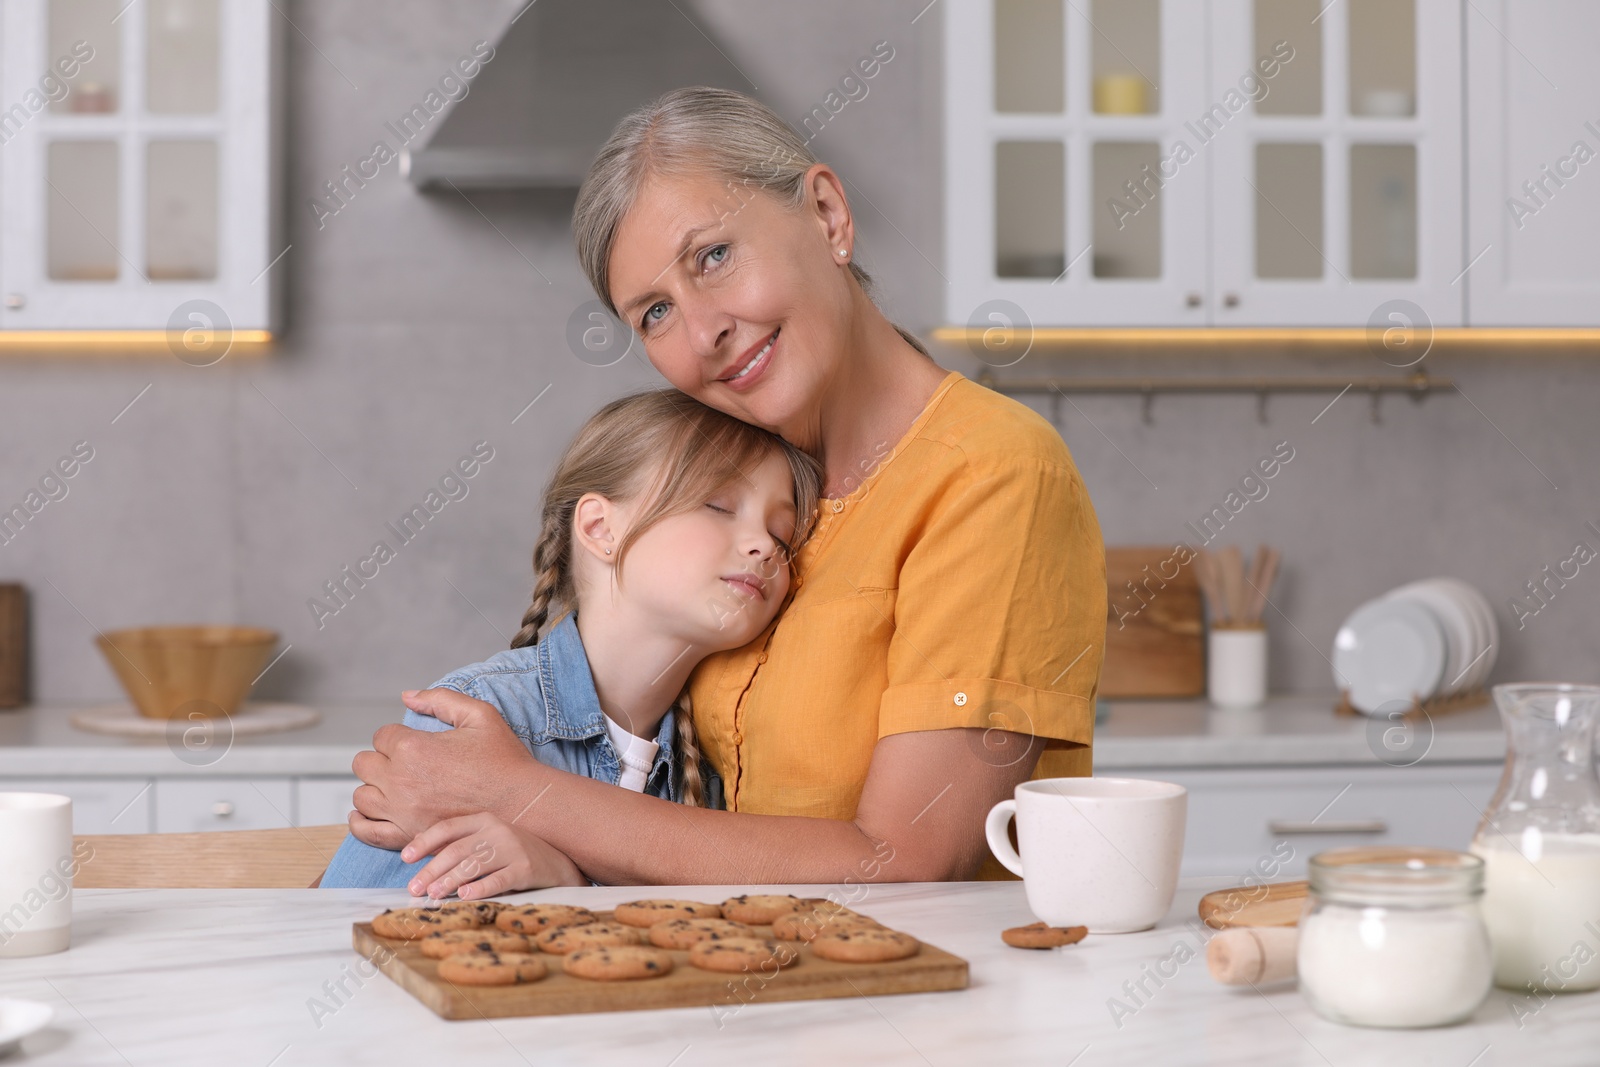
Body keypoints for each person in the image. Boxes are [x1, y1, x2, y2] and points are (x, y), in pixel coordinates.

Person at [347, 87, 1106, 896]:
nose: (703, 329)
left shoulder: (993, 472)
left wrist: (517, 794)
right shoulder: (760, 490)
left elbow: (912, 860)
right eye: (655, 312)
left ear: (827, 215)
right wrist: (559, 865)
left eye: (714, 256)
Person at [317, 389, 821, 896]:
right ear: (601, 527)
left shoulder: (709, 769)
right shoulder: (477, 715)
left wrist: (568, 883)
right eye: (719, 505)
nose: (764, 547)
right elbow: (355, 934)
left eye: (782, 533)